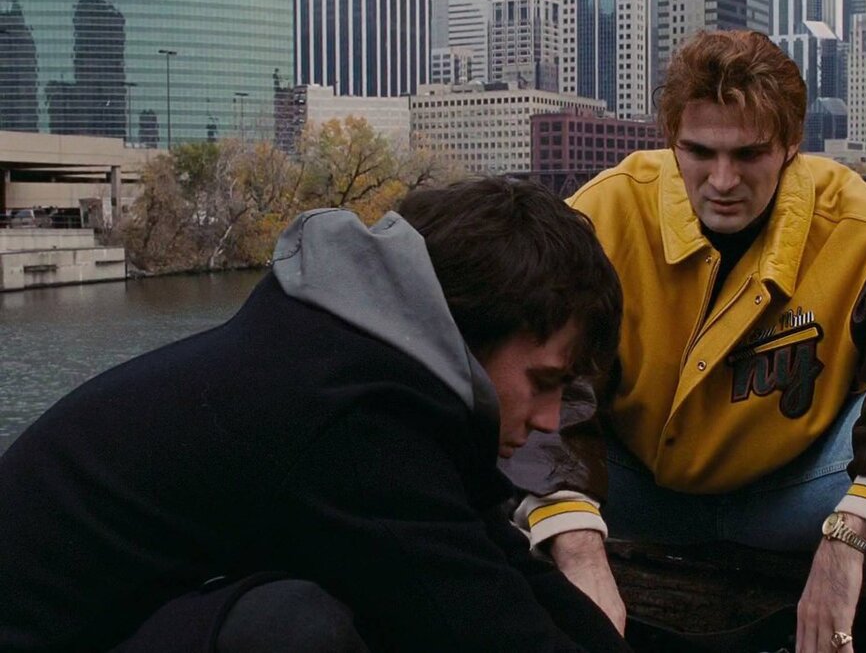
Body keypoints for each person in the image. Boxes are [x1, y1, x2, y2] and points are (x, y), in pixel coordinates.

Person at [506, 30, 866, 653]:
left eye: (749, 154)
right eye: (699, 152)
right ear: (671, 141)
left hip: (794, 495)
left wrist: (849, 535)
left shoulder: (864, 227)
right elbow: (534, 376)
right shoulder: (603, 214)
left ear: (790, 145)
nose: (722, 180)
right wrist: (576, 546)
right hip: (634, 490)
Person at [0, 178, 630, 652]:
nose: (550, 421)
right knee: (296, 627)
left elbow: (499, 563)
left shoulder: (351, 366)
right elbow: (483, 624)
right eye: (544, 382)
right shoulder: (346, 416)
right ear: (469, 328)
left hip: (142, 617)